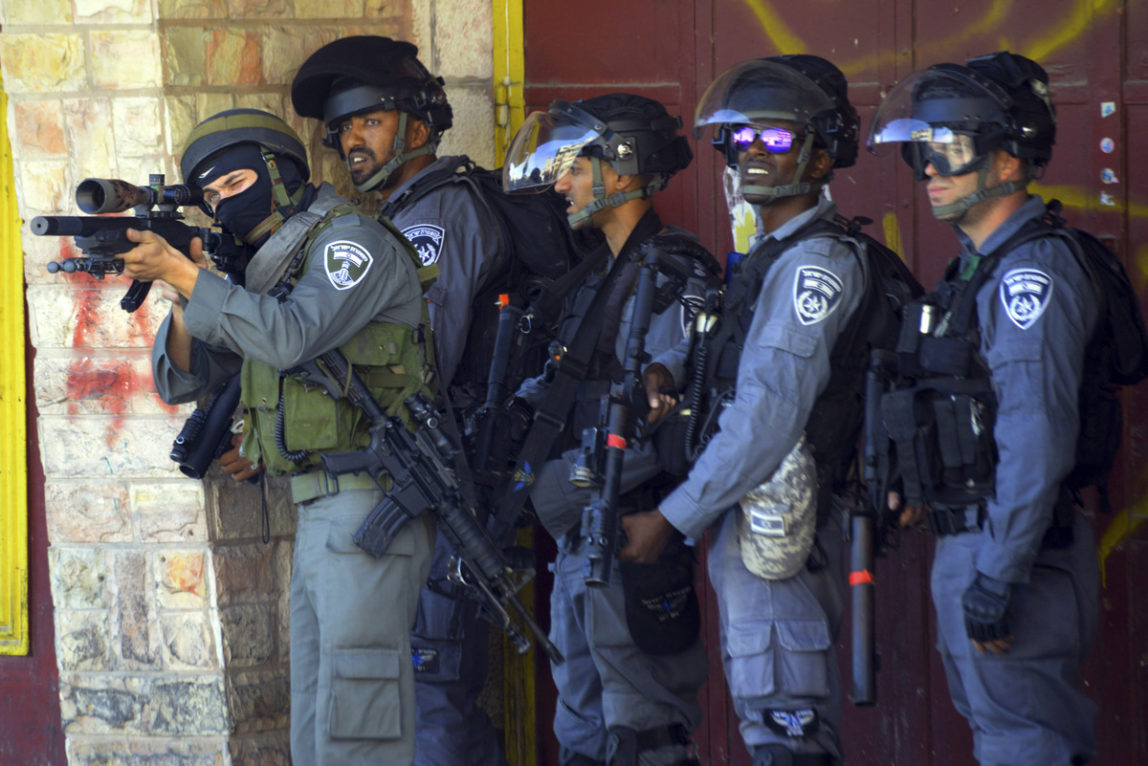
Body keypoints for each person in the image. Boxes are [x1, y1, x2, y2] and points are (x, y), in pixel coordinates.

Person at [120, 108, 436, 766]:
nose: (222, 204)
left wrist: (188, 276)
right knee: (319, 720)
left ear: (279, 173)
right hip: (318, 505)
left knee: (361, 717)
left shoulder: (350, 244)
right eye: (209, 197)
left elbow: (290, 335)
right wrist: (184, 290)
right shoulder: (262, 267)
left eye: (234, 184)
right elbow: (182, 380)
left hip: (371, 496)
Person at [290, 35, 538, 766]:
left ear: (419, 128)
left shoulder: (436, 217)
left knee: (429, 696)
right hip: (416, 482)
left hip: (439, 481)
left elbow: (420, 360)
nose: (349, 143)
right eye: (342, 130)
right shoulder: (394, 218)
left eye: (367, 121)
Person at [619, 56, 870, 766]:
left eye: (780, 139)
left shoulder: (812, 266)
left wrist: (671, 520)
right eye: (743, 136)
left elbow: (767, 416)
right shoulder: (766, 256)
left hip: (782, 532)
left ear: (822, 154)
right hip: (749, 521)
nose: (754, 151)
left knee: (785, 739)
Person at [866, 51, 1100, 765]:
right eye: (921, 150)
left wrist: (997, 576)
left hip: (1014, 552)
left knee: (1025, 745)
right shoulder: (975, 269)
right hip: (973, 541)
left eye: (952, 149)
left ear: (1010, 161)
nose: (929, 169)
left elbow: (1037, 438)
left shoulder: (1030, 273)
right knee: (1003, 737)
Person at [502, 93, 716, 766]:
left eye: (577, 168)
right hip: (581, 534)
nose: (559, 184)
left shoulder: (678, 271)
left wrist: (581, 480)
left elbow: (676, 397)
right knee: (583, 734)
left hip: (630, 532)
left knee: (640, 735)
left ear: (623, 172)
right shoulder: (595, 274)